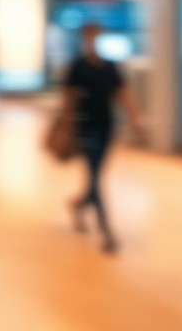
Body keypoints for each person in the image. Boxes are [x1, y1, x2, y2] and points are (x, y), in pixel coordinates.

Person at [59, 22, 145, 254]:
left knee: (96, 174)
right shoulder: (76, 67)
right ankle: (107, 231)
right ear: (82, 39)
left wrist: (134, 118)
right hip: (84, 127)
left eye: (95, 36)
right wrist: (67, 129)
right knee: (95, 178)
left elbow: (123, 93)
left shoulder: (110, 67)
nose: (91, 40)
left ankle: (78, 204)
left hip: (106, 127)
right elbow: (68, 100)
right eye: (88, 37)